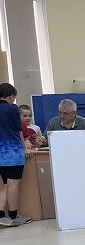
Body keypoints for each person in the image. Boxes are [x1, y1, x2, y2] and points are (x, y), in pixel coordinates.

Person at [0, 83, 33, 226]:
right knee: (13, 184)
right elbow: (19, 130)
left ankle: (1, 216)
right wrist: (25, 148)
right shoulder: (12, 108)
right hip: (12, 151)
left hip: (0, 152)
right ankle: (13, 216)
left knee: (6, 184)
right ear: (10, 96)